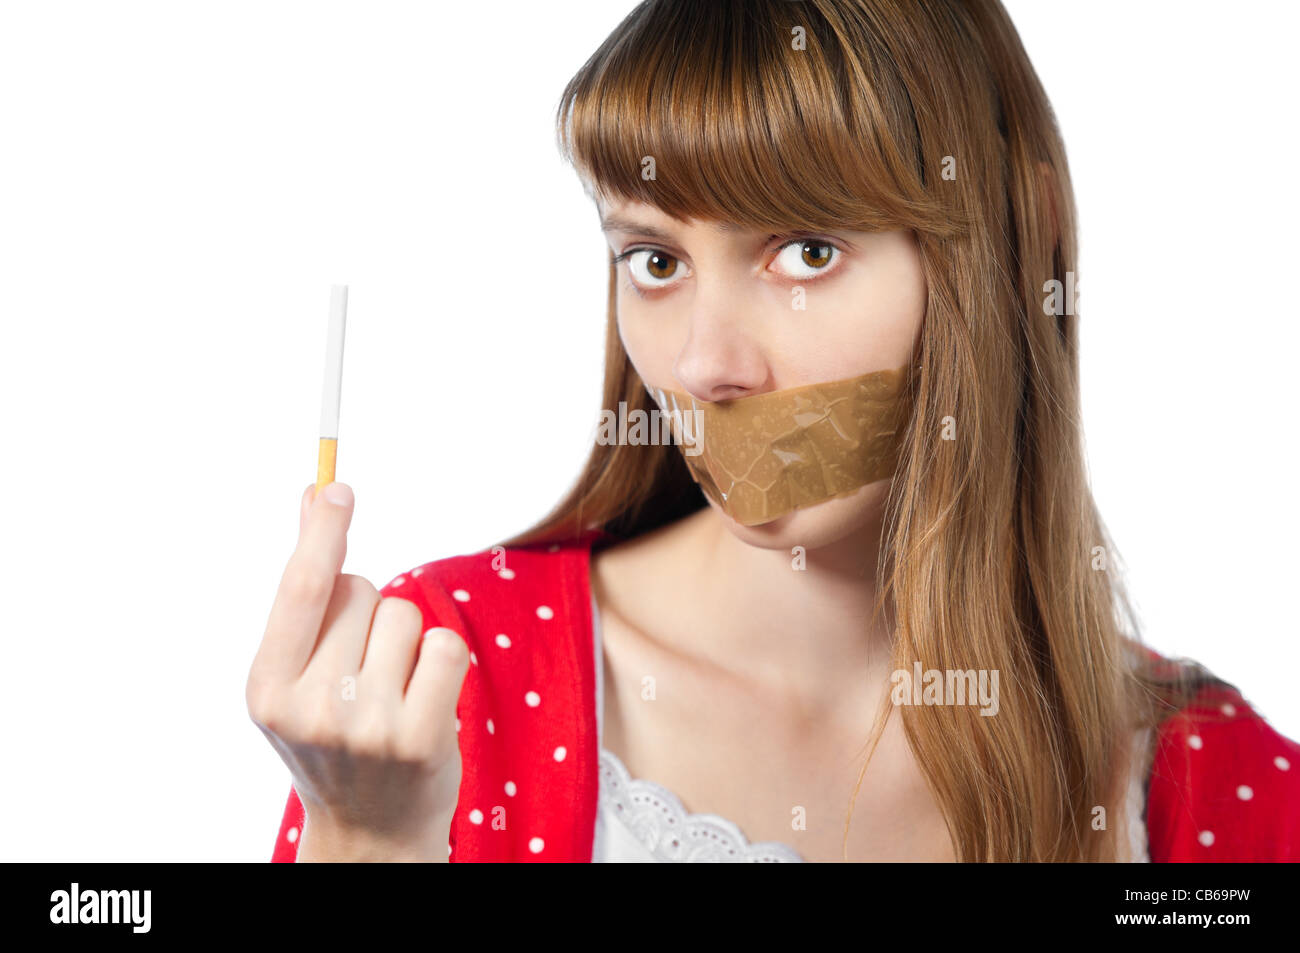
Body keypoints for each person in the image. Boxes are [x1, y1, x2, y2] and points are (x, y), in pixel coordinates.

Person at [247, 0, 1300, 862]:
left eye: (804, 252)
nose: (707, 364)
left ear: (1021, 250)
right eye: (654, 260)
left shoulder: (1213, 782)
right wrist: (366, 840)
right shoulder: (435, 681)